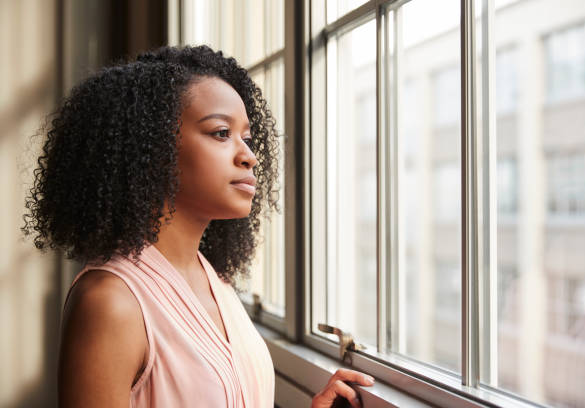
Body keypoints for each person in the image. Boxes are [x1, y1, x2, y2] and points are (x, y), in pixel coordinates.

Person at [23, 45, 374, 407]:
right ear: (153, 148)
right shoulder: (110, 303)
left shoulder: (213, 280)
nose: (249, 156)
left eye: (247, 139)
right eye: (221, 133)